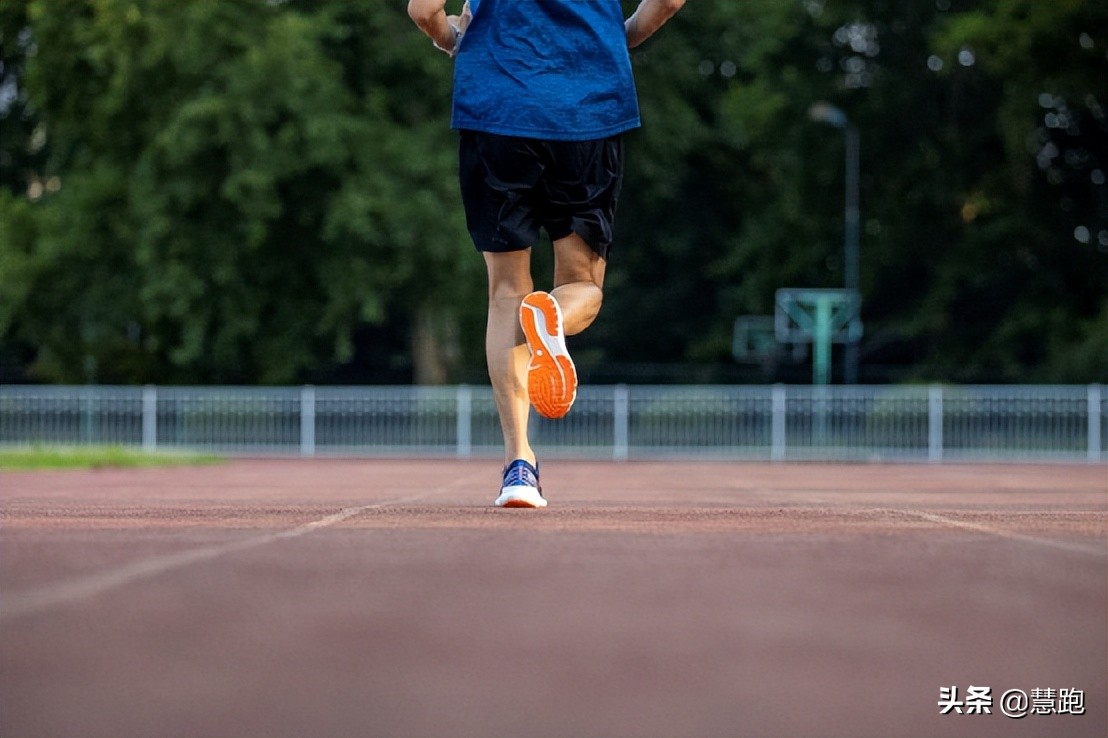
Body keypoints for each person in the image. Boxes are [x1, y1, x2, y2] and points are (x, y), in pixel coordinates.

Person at [408, 0, 685, 508]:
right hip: (589, 105)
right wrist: (617, 35)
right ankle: (553, 315)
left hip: (495, 106)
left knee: (506, 292)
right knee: (583, 284)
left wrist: (451, 39)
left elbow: (424, 9)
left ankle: (519, 467)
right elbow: (668, 2)